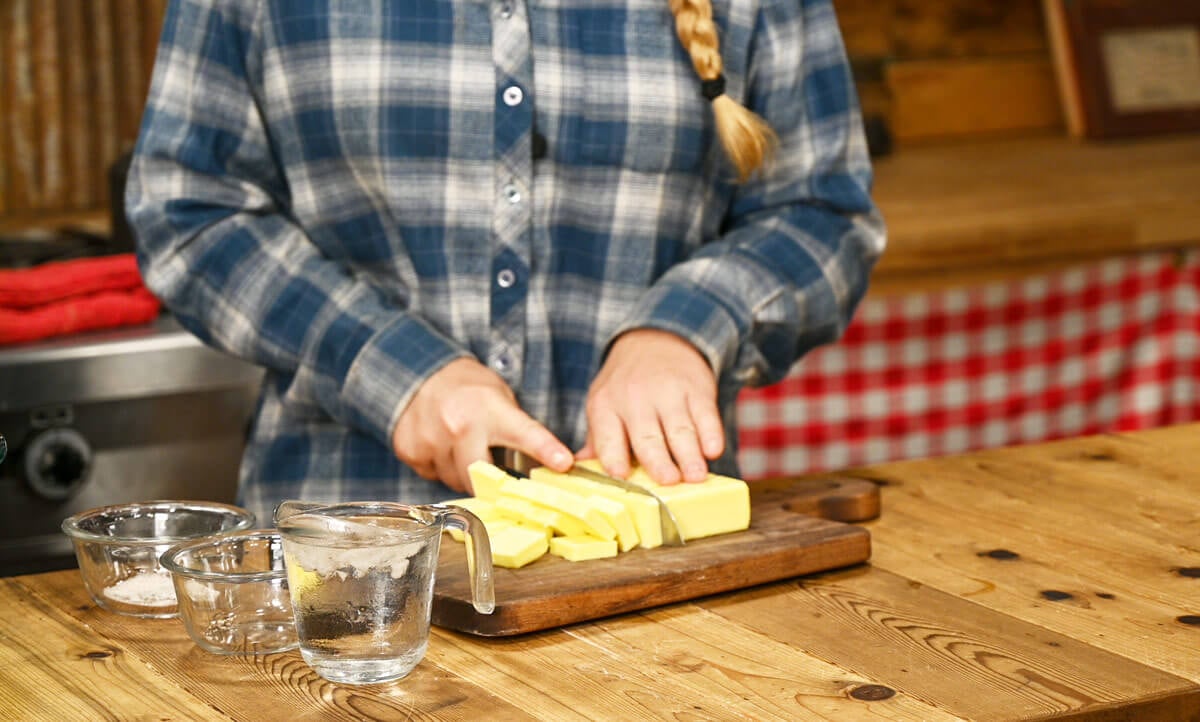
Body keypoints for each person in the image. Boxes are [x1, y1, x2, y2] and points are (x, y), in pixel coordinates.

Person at [128, 0, 885, 524]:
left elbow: (823, 212)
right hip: (349, 574)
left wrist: (689, 328)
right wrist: (400, 373)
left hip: (661, 571)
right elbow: (190, 210)